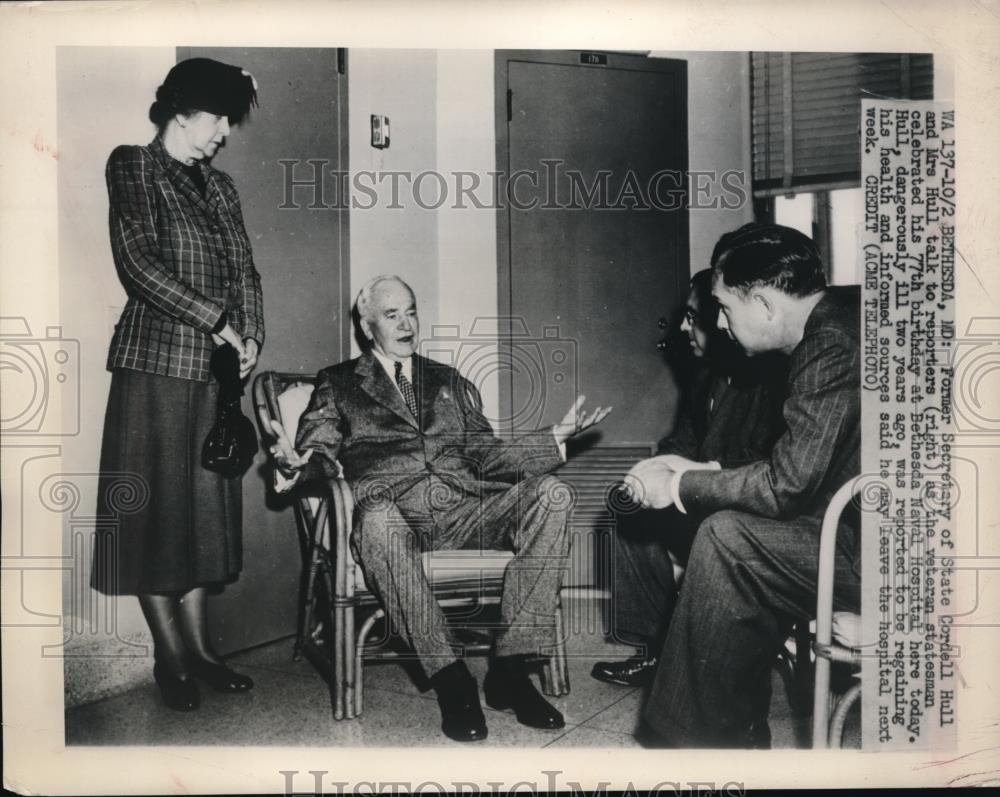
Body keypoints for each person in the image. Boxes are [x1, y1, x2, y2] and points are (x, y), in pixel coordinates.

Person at [269, 275, 610, 743]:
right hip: (391, 516)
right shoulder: (340, 383)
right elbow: (319, 452)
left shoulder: (450, 381)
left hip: (465, 510)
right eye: (392, 315)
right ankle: (452, 679)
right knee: (376, 517)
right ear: (368, 328)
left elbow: (487, 456)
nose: (407, 323)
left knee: (553, 495)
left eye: (411, 311)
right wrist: (297, 465)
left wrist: (553, 438)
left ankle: (509, 671)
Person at [628, 223, 861, 747]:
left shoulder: (829, 347)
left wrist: (680, 485)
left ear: (764, 304)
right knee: (731, 535)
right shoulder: (841, 321)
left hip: (882, 557)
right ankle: (721, 732)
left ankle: (699, 741)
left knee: (728, 539)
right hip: (859, 530)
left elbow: (785, 483)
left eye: (725, 308)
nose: (720, 324)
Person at [90, 58, 264, 713]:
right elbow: (138, 263)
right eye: (220, 117)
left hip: (213, 376)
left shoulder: (222, 190)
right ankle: (170, 655)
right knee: (157, 519)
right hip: (156, 366)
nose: (225, 131)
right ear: (184, 108)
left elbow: (247, 271)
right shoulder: (133, 164)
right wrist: (220, 322)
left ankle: (202, 649)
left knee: (201, 519)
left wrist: (250, 336)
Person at [591, 268, 786, 688]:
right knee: (626, 510)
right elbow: (681, 441)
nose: (682, 326)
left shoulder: (773, 376)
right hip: (702, 497)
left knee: (715, 530)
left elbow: (770, 466)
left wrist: (689, 475)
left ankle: (741, 649)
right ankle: (656, 649)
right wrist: (647, 474)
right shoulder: (705, 375)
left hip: (751, 507)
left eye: (692, 317)